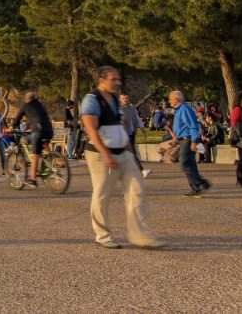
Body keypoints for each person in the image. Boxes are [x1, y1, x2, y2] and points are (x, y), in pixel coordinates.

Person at [80, 66, 164, 250]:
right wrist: (105, 153)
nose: (118, 83)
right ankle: (103, 235)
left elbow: (120, 125)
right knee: (102, 194)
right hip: (101, 153)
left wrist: (129, 151)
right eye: (113, 79)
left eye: (118, 79)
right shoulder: (92, 99)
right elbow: (90, 128)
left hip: (123, 152)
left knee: (137, 190)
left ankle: (140, 235)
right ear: (101, 80)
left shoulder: (115, 101)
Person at [169, 90, 211, 197]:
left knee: (184, 164)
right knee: (190, 164)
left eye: (170, 99)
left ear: (176, 99)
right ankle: (195, 189)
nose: (169, 101)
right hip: (182, 139)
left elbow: (193, 125)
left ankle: (202, 183)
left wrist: (194, 141)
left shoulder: (184, 109)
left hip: (187, 140)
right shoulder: (179, 110)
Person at [12, 91, 53, 187]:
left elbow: (17, 118)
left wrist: (13, 126)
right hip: (49, 131)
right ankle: (49, 166)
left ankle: (33, 180)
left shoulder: (26, 105)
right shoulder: (40, 105)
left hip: (38, 132)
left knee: (35, 156)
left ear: (27, 99)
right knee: (44, 148)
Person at [119, 94, 148, 178]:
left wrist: (143, 130)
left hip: (131, 132)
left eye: (127, 98)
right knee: (131, 151)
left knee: (126, 152)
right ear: (120, 100)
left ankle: (118, 170)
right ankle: (142, 170)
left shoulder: (132, 109)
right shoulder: (119, 110)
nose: (125, 99)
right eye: (123, 98)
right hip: (123, 134)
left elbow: (138, 120)